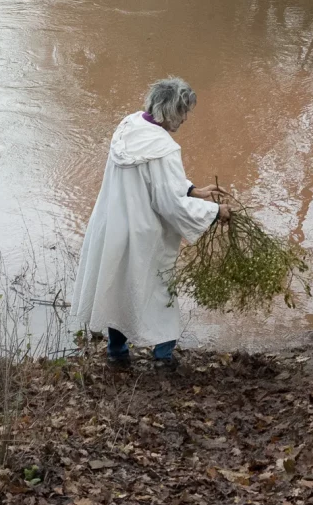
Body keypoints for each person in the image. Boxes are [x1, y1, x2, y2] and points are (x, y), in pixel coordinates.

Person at [70, 77, 230, 369]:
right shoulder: (165, 148)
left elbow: (151, 181)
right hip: (144, 233)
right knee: (159, 294)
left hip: (114, 224)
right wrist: (214, 212)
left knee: (118, 288)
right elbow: (169, 203)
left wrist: (192, 189)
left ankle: (117, 355)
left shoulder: (128, 126)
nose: (185, 119)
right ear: (172, 111)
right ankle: (163, 358)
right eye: (184, 112)